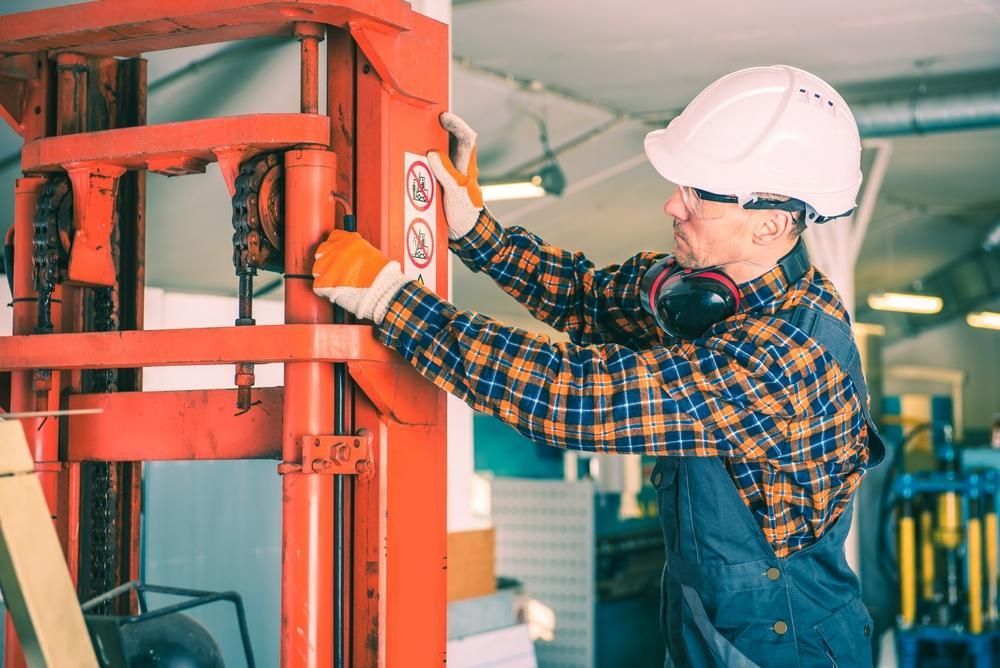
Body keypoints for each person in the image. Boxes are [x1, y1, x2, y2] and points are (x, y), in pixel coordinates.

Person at [312, 64, 885, 667]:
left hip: (784, 646)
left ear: (771, 223)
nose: (673, 203)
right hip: (706, 627)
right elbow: (587, 295)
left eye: (699, 194)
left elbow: (575, 397)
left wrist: (393, 303)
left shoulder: (785, 361)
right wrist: (477, 232)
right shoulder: (704, 291)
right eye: (681, 184)